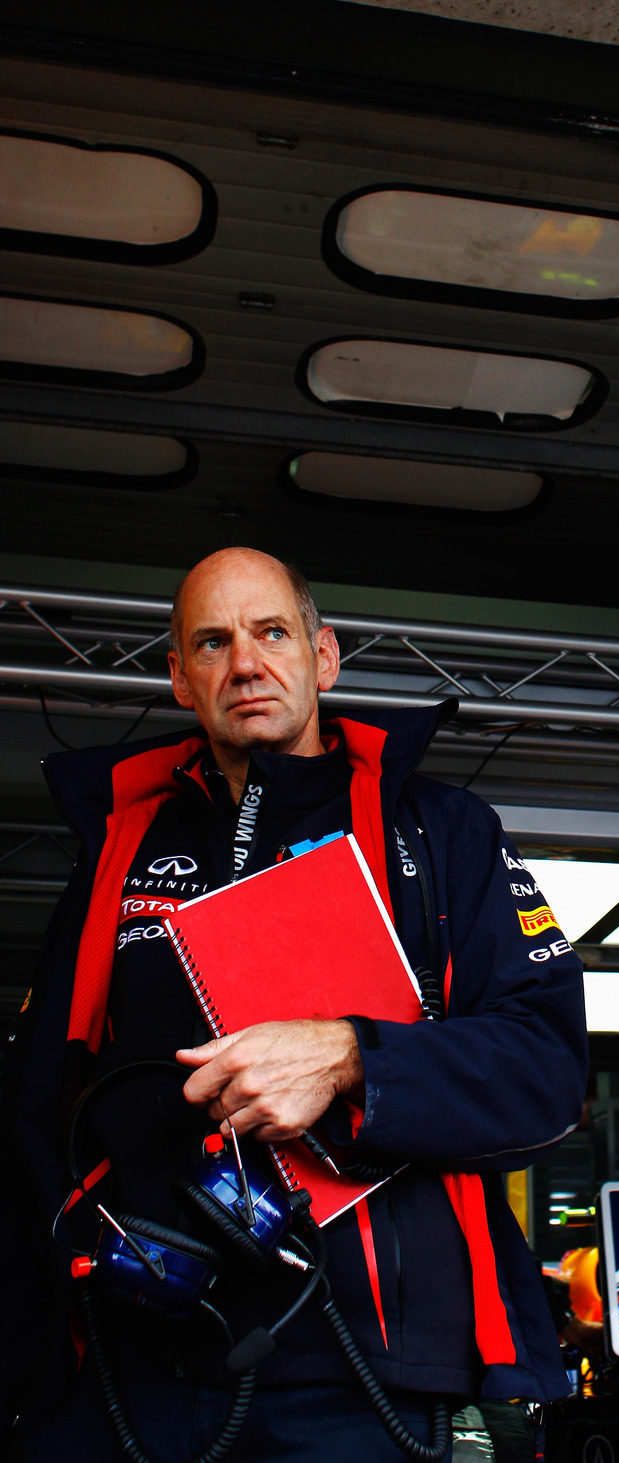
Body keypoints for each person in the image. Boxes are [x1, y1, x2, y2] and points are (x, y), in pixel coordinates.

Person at [1, 548, 589, 1462]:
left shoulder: (437, 830)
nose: (245, 661)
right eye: (212, 641)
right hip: (139, 1366)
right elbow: (38, 1112)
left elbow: (547, 1071)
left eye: (271, 631)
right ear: (180, 678)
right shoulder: (117, 846)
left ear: (323, 657)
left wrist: (354, 1057)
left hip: (369, 1377)